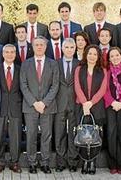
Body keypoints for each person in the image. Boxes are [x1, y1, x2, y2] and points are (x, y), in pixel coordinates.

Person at [20, 36, 60, 174]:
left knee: (46, 136)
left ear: (46, 46)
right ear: (32, 46)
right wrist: (34, 103)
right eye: (36, 44)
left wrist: (44, 103)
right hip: (30, 106)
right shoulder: (25, 64)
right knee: (31, 135)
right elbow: (23, 85)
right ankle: (32, 162)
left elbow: (55, 86)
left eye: (42, 45)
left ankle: (45, 162)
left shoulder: (53, 64)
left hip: (47, 106)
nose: (39, 47)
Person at [74, 45, 108, 174]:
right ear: (85, 54)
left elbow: (103, 89)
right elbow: (77, 87)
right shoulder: (79, 69)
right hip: (81, 107)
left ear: (98, 56)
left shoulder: (103, 70)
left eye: (95, 54)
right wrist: (84, 103)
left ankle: (92, 161)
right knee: (83, 134)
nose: (92, 56)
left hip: (97, 106)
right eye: (90, 53)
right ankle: (84, 161)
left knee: (95, 135)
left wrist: (91, 103)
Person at [0, 44, 23, 173]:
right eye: (7, 52)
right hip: (0, 107)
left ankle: (14, 162)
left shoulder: (21, 69)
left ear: (15, 54)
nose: (10, 54)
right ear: (3, 54)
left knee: (16, 136)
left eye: (12, 52)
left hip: (16, 106)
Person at [52, 39, 79, 172]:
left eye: (71, 47)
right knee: (59, 133)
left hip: (74, 103)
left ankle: (73, 161)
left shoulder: (79, 64)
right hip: (59, 103)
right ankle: (60, 162)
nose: (69, 49)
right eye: (66, 47)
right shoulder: (55, 63)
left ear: (75, 49)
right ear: (62, 49)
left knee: (73, 132)